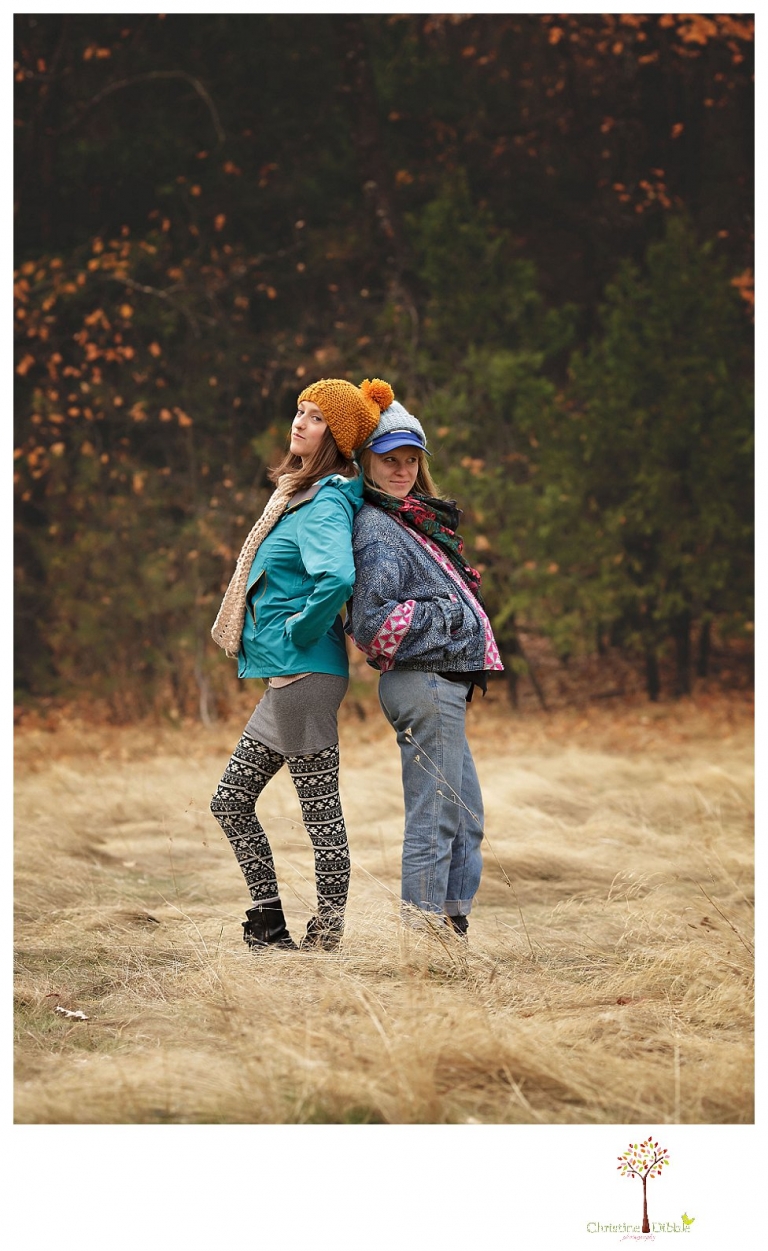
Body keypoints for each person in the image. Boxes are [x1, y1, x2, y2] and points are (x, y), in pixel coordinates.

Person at [210, 377, 394, 951]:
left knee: (319, 808)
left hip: (304, 674)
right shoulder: (296, 497)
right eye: (300, 410)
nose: (300, 422)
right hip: (292, 677)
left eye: (316, 417)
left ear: (336, 439)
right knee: (231, 801)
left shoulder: (323, 504)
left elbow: (336, 577)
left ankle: (323, 933)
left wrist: (299, 629)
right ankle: (269, 922)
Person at [347, 401, 503, 937]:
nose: (402, 469)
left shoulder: (409, 521)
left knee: (464, 819)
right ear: (367, 460)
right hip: (424, 684)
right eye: (391, 458)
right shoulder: (377, 530)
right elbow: (371, 623)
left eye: (412, 459)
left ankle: (451, 932)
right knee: (435, 819)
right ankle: (423, 941)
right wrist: (453, 615)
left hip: (441, 686)